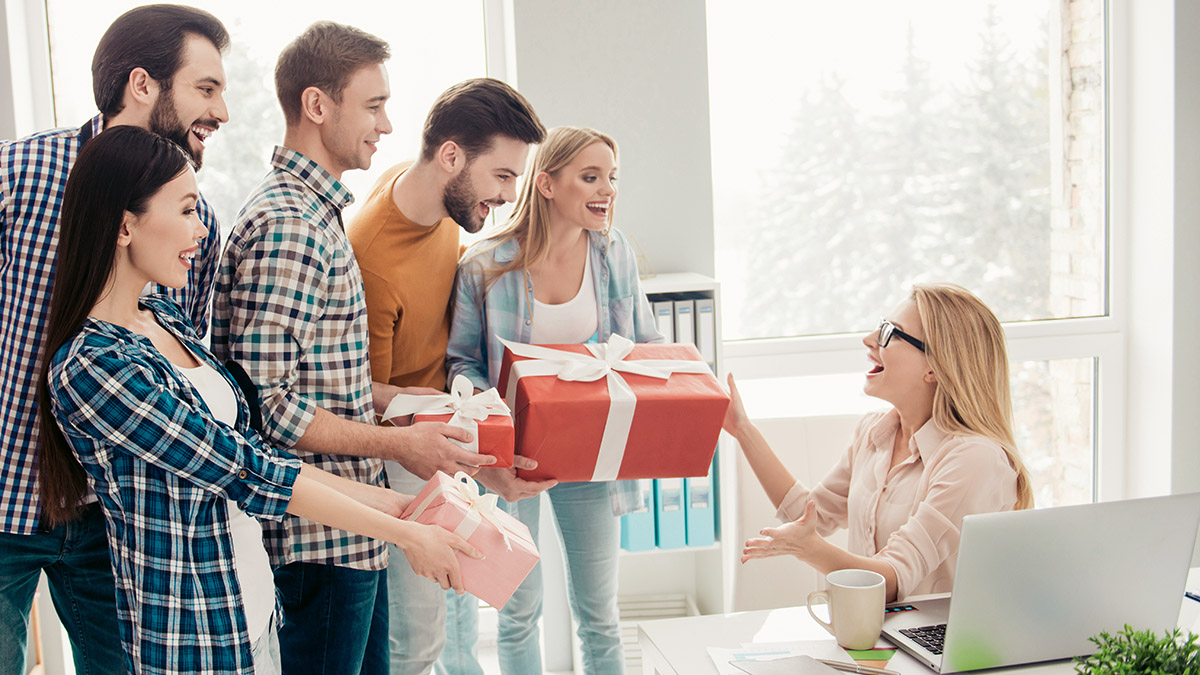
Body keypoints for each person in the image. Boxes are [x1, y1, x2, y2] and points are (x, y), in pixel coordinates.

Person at [36, 125, 479, 675]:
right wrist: (405, 531)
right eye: (187, 210)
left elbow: (251, 448)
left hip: (253, 614)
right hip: (190, 642)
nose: (202, 231)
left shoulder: (166, 319)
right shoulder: (92, 365)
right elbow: (247, 471)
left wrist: (400, 505)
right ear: (126, 225)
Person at [211, 22, 494, 673]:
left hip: (349, 536)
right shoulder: (291, 225)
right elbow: (269, 410)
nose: (388, 125)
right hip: (319, 542)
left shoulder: (317, 214)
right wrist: (401, 443)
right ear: (317, 106)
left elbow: (313, 383)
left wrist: (405, 402)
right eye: (373, 105)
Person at [0, 6, 229, 672]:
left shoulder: (196, 224)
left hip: (111, 518)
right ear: (143, 86)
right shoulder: (25, 173)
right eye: (206, 88)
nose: (221, 112)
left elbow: (183, 365)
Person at [346, 77, 548, 675]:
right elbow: (364, 395)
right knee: (419, 641)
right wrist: (455, 423)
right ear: (452, 156)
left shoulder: (434, 195)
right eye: (503, 177)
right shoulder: (374, 259)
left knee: (460, 619)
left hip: (452, 425)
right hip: (408, 450)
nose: (509, 197)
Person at [446, 126, 662, 674]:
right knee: (520, 609)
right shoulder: (486, 264)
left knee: (600, 613)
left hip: (590, 458)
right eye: (590, 177)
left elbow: (646, 344)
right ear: (546, 184)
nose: (606, 190)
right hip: (513, 462)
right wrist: (486, 411)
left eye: (611, 178)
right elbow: (462, 362)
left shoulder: (615, 256)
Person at [725, 283, 1034, 602]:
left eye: (890, 333)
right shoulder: (874, 433)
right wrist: (742, 429)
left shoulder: (974, 460)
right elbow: (808, 518)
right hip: (869, 639)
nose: (869, 340)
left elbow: (891, 580)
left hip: (937, 648)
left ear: (934, 367)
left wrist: (810, 550)